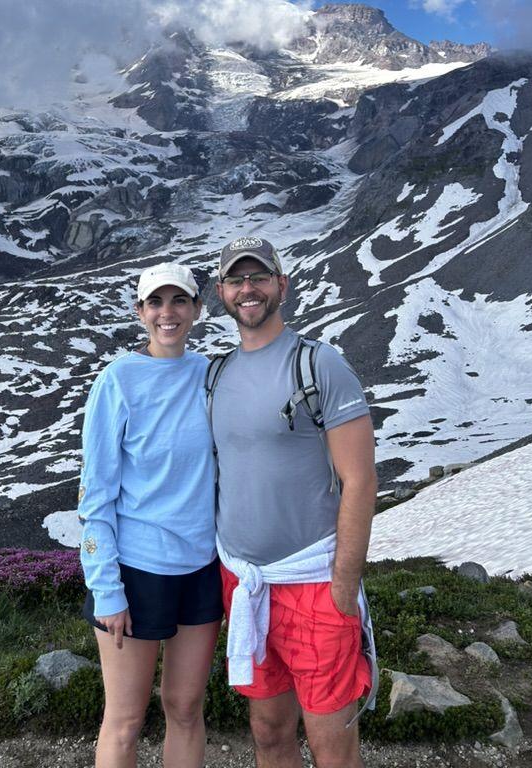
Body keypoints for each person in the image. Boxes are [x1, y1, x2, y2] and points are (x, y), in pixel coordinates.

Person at [208, 236, 378, 768]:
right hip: (245, 583)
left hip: (313, 582)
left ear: (281, 285)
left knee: (332, 746)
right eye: (237, 279)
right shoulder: (216, 374)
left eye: (259, 277)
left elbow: (360, 480)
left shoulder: (319, 364)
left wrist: (343, 587)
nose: (248, 289)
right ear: (222, 292)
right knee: (268, 732)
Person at [77, 262, 222, 768]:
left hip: (201, 568)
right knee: (125, 720)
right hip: (136, 572)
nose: (168, 313)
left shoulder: (210, 376)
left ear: (197, 309)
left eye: (179, 300)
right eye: (156, 302)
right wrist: (106, 588)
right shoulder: (118, 380)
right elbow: (95, 497)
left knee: (185, 708)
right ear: (140, 312)